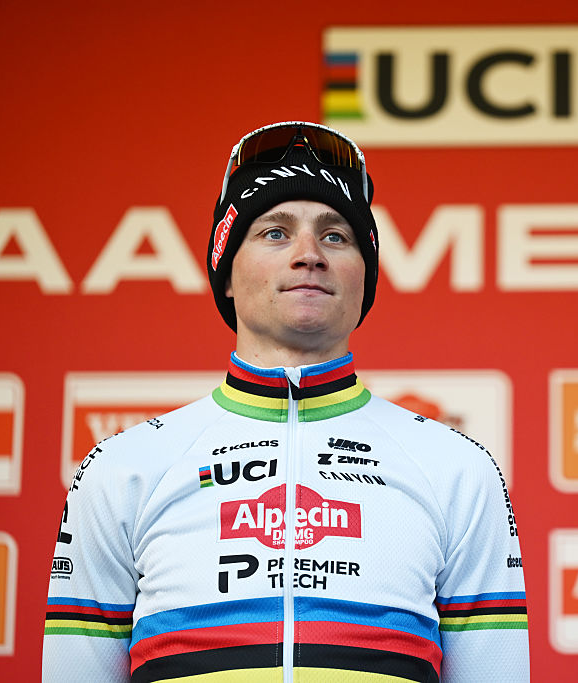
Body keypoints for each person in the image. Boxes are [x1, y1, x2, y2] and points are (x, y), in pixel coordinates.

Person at [43, 122, 529, 682]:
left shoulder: (456, 467)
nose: (309, 255)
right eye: (274, 233)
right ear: (227, 273)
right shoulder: (123, 467)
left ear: (364, 277)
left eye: (336, 236)